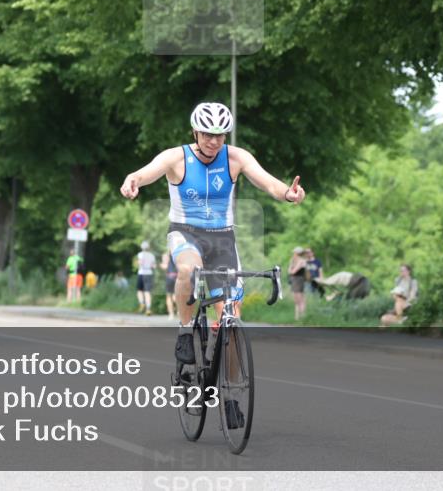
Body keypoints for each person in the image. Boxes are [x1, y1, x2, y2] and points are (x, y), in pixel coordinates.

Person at [119, 101, 305, 383]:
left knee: (230, 318)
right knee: (187, 270)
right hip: (185, 232)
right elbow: (146, 172)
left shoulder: (236, 157)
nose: (213, 141)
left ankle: (230, 391)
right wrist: (133, 180)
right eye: (207, 134)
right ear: (195, 132)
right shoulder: (176, 157)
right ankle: (184, 332)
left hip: (222, 238)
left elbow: (268, 183)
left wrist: (288, 194)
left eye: (220, 135)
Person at [135, 241, 156, 316]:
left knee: (139, 290)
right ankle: (148, 309)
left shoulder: (140, 254)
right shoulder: (152, 255)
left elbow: (140, 263)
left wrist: (139, 262)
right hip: (149, 274)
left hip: (141, 273)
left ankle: (142, 303)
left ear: (142, 247)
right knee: (147, 292)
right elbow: (154, 266)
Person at [288, 247, 309, 320]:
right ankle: (296, 316)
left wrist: (291, 269)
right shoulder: (293, 261)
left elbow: (293, 271)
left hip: (299, 280)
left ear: (297, 253)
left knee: (300, 298)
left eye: (294, 252)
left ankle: (303, 315)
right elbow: (289, 271)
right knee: (296, 299)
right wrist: (291, 263)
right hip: (294, 280)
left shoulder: (302, 261)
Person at [162, 250, 178, 321]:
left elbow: (164, 266)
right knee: (176, 296)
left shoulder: (167, 256)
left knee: (169, 296)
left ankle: (171, 315)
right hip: (177, 277)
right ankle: (179, 311)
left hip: (169, 277)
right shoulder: (178, 254)